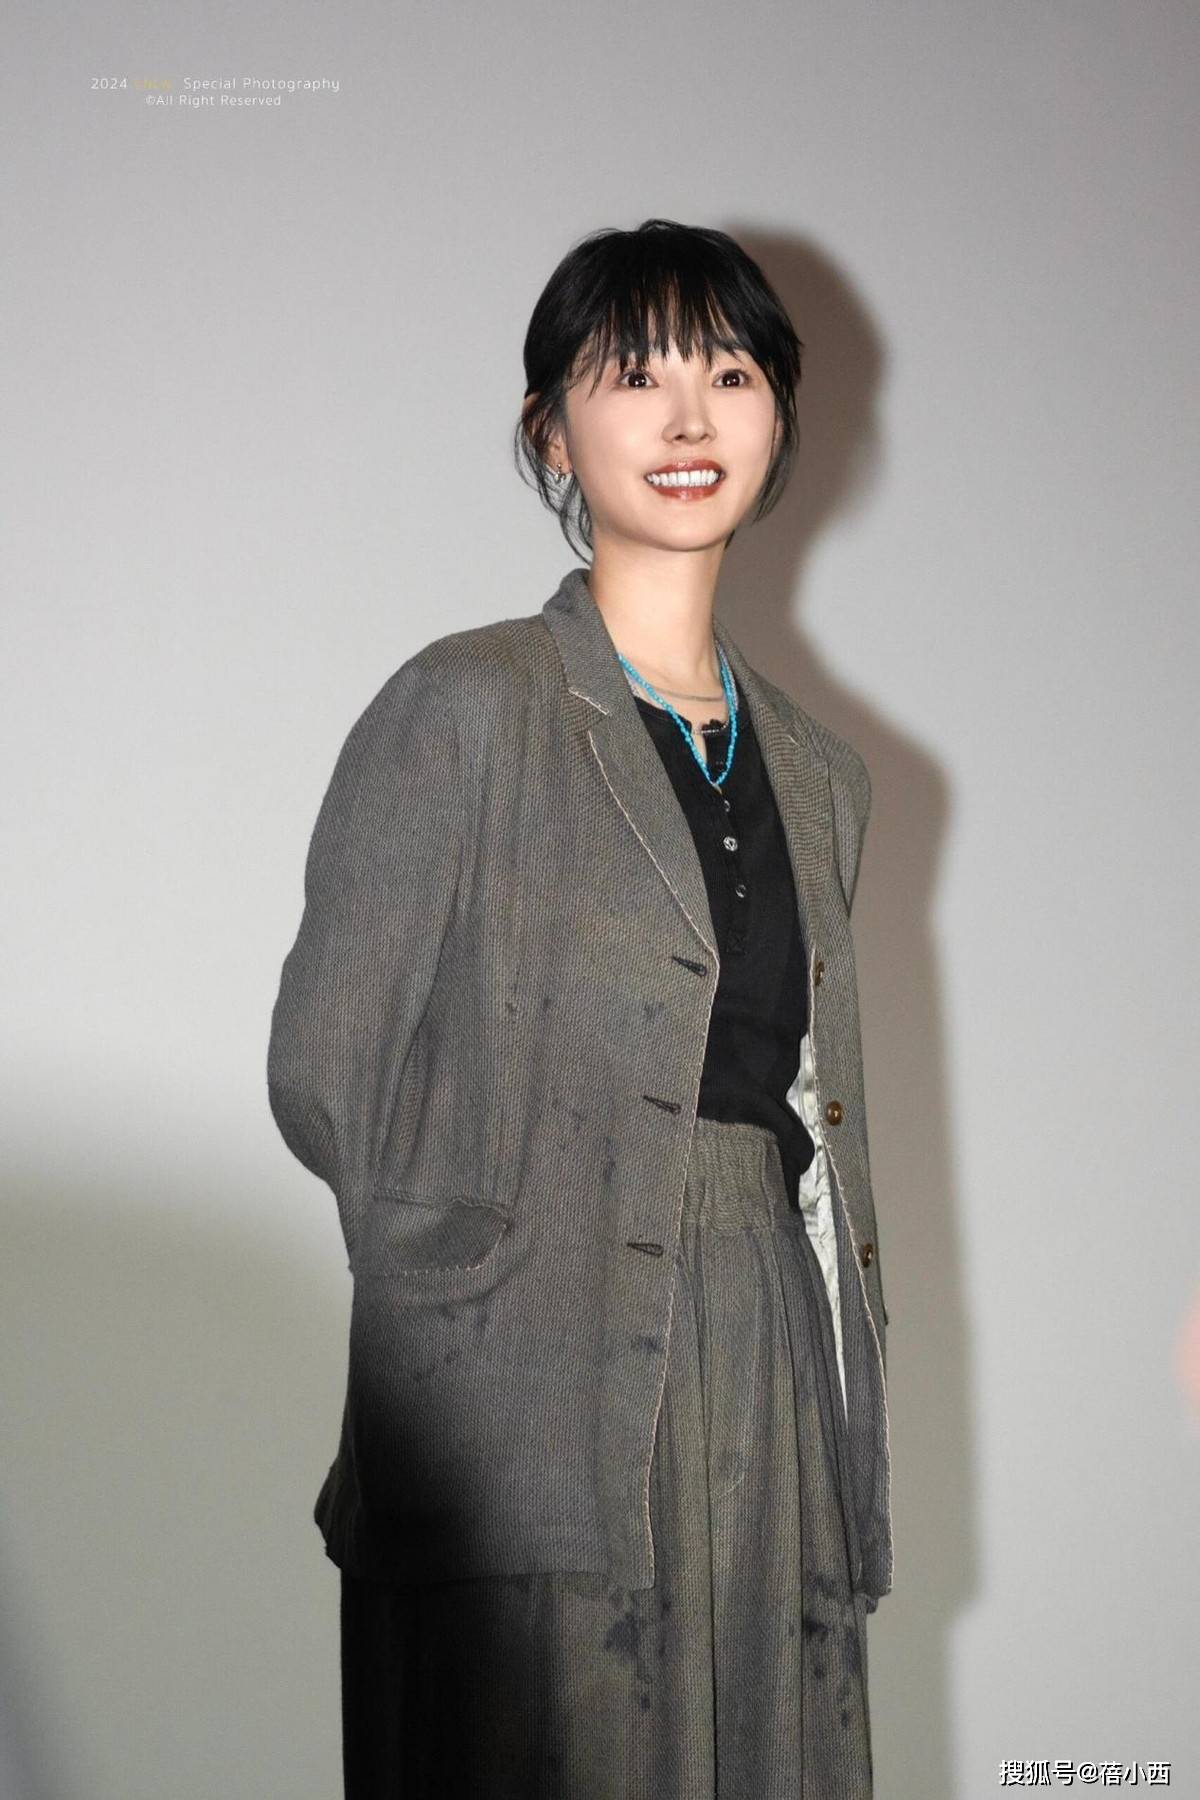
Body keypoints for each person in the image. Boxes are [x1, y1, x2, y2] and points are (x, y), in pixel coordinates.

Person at [267, 217, 893, 1798]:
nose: (688, 418)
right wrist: (480, 1281)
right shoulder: (467, 705)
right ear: (552, 429)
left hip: (764, 1332)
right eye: (634, 376)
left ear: (781, 417)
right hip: (529, 1363)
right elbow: (330, 1066)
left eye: (730, 374)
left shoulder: (822, 774)